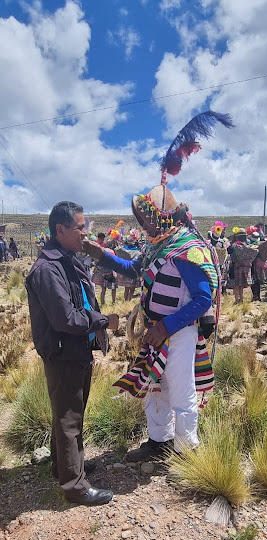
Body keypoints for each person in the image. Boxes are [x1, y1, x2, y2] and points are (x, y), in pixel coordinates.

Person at [84, 184, 218, 462]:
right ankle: (159, 441)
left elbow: (203, 299)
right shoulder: (155, 246)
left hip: (178, 331)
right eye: (141, 218)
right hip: (156, 331)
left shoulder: (187, 249)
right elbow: (132, 269)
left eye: (147, 217)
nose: (143, 223)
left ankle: (187, 452)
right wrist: (100, 254)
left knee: (181, 390)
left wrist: (166, 326)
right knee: (156, 388)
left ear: (164, 217)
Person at [26, 201, 118, 506]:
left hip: (76, 349)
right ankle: (75, 487)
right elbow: (65, 319)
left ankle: (65, 466)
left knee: (70, 412)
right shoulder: (48, 268)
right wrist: (104, 321)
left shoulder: (66, 259)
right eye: (79, 227)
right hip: (64, 352)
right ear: (60, 230)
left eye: (85, 226)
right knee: (68, 417)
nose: (85, 232)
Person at [228, 227, 258, 304]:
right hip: (245, 268)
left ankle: (236, 300)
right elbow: (255, 252)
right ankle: (241, 299)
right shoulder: (247, 246)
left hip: (236, 267)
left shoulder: (234, 245)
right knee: (241, 285)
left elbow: (230, 254)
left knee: (236, 285)